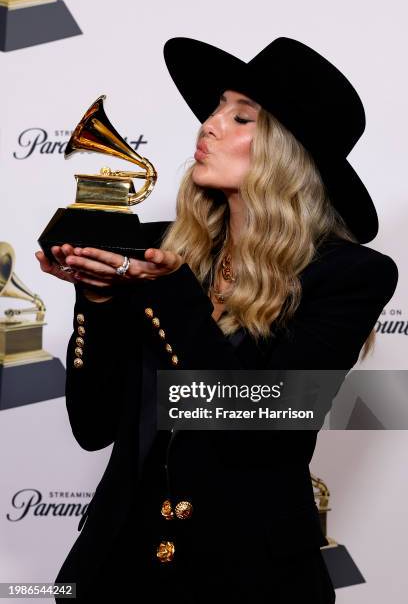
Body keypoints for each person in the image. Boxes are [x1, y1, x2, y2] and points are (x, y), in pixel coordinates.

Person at [36, 37, 398, 603]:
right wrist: (100, 299)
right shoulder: (162, 251)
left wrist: (167, 290)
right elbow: (94, 425)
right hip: (116, 567)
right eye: (213, 110)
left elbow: (259, 431)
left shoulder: (351, 275)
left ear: (288, 152)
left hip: (248, 577)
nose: (208, 125)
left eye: (240, 116)